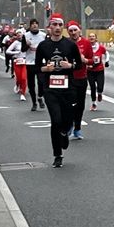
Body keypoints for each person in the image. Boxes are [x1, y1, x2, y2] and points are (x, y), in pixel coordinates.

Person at [36, 14, 82, 168]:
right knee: (55, 120)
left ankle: (64, 133)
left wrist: (70, 66)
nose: (57, 28)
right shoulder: (43, 46)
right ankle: (58, 155)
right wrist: (45, 68)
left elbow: (79, 65)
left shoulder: (70, 45)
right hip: (50, 89)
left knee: (67, 120)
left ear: (63, 27)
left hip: (68, 88)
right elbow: (37, 67)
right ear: (49, 27)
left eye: (60, 25)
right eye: (54, 25)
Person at [67, 21, 93, 140]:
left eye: (75, 30)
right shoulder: (65, 43)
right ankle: (69, 125)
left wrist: (85, 60)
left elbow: (92, 60)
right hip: (68, 77)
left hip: (81, 77)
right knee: (70, 103)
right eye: (71, 31)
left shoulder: (86, 43)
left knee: (80, 105)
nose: (73, 33)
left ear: (79, 31)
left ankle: (77, 128)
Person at [22, 18, 46, 111]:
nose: (34, 25)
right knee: (31, 84)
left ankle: (40, 96)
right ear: (30, 26)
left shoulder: (43, 35)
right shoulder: (26, 35)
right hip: (30, 62)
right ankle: (34, 103)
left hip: (41, 62)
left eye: (36, 24)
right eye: (33, 24)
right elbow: (23, 50)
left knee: (41, 82)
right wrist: (27, 45)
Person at [87, 32, 109, 111]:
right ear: (88, 38)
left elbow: (106, 53)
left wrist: (107, 61)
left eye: (93, 36)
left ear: (96, 38)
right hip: (90, 71)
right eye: (90, 36)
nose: (91, 38)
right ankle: (94, 103)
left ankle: (99, 93)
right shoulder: (87, 48)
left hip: (99, 70)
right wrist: (86, 64)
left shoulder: (100, 47)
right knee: (92, 87)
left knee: (100, 86)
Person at [6, 29, 28, 101]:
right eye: (18, 35)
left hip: (25, 61)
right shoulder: (15, 43)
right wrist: (16, 52)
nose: (19, 37)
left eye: (20, 35)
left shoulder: (27, 42)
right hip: (17, 61)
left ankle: (23, 93)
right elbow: (7, 51)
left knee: (24, 78)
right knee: (19, 78)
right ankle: (18, 84)